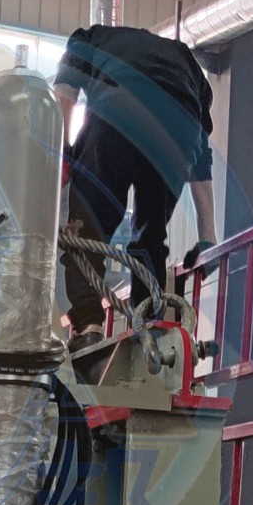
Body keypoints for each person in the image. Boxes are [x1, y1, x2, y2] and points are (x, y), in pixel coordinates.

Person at [53, 24, 217, 352]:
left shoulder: (88, 38)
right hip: (177, 130)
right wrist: (207, 238)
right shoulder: (183, 57)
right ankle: (147, 327)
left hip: (117, 113)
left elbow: (63, 99)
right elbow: (200, 161)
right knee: (150, 235)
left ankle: (88, 325)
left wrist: (63, 156)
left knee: (87, 231)